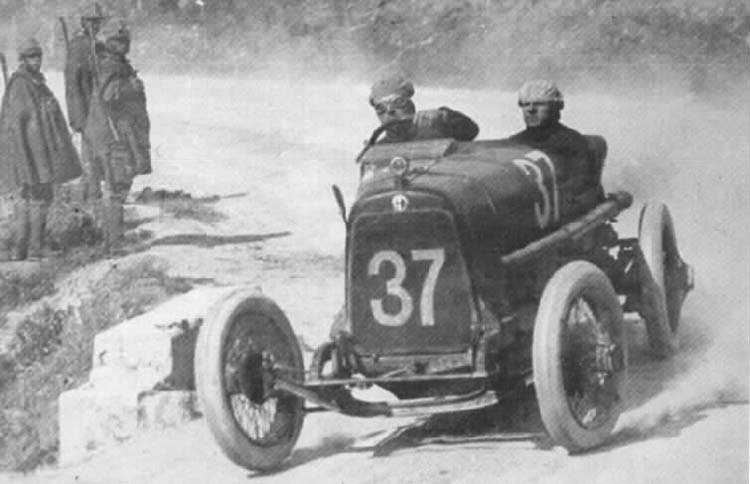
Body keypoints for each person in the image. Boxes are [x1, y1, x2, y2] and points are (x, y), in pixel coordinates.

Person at [0, 38, 82, 260]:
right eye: (31, 57)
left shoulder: (36, 82)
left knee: (36, 196)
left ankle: (23, 249)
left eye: (38, 57)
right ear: (23, 59)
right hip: (30, 153)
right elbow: (17, 125)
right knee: (36, 197)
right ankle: (33, 249)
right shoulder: (21, 85)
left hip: (40, 151)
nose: (36, 61)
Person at [84, 18, 151, 248]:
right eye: (118, 41)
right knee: (116, 187)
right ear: (110, 43)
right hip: (116, 135)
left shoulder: (118, 66)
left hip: (122, 133)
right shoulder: (111, 68)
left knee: (119, 185)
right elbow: (110, 100)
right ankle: (113, 243)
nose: (123, 46)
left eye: (125, 42)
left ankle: (113, 239)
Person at [507, 79, 603, 217]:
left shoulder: (573, 143)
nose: (531, 110)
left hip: (557, 216)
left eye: (539, 104)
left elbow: (581, 187)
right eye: (525, 104)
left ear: (556, 107)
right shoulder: (513, 142)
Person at [64, 2, 106, 201]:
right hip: (87, 111)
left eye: (97, 22)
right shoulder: (78, 47)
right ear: (83, 22)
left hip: (100, 111)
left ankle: (92, 195)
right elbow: (73, 86)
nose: (95, 26)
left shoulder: (97, 46)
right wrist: (78, 118)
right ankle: (89, 197)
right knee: (90, 157)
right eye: (91, 22)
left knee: (98, 155)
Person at [369, 75, 479, 144]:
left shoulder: (435, 127)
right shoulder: (379, 150)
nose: (390, 111)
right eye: (381, 108)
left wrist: (445, 117)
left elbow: (471, 131)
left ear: (409, 104)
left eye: (398, 102)